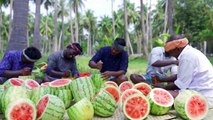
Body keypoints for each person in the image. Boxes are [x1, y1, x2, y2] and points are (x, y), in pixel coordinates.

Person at [156, 34, 213, 107]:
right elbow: (180, 75)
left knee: (161, 94)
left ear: (177, 49)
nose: (171, 55)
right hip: (200, 91)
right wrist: (162, 80)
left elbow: (180, 85)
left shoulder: (187, 57)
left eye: (170, 52)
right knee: (163, 93)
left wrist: (163, 88)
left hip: (203, 97)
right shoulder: (189, 53)